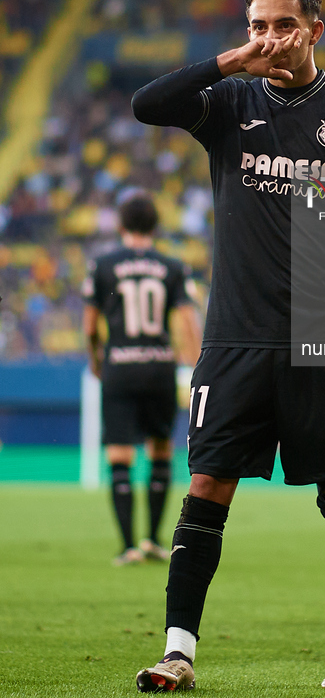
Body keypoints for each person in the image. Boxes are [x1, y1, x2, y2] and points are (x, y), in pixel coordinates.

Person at [131, 0, 325, 691]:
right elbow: (144, 103)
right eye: (256, 25)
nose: (268, 38)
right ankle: (177, 650)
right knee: (208, 483)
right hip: (234, 337)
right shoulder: (227, 102)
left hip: (321, 331)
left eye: (281, 24)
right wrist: (228, 62)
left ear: (314, 28)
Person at [82, 192, 202, 565]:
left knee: (120, 455)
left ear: (121, 226)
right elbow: (186, 319)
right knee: (160, 450)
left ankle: (128, 545)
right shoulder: (172, 266)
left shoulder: (101, 264)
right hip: (159, 367)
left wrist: (97, 359)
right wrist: (196, 360)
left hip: (119, 365)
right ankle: (152, 539)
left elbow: (89, 326)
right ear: (155, 227)